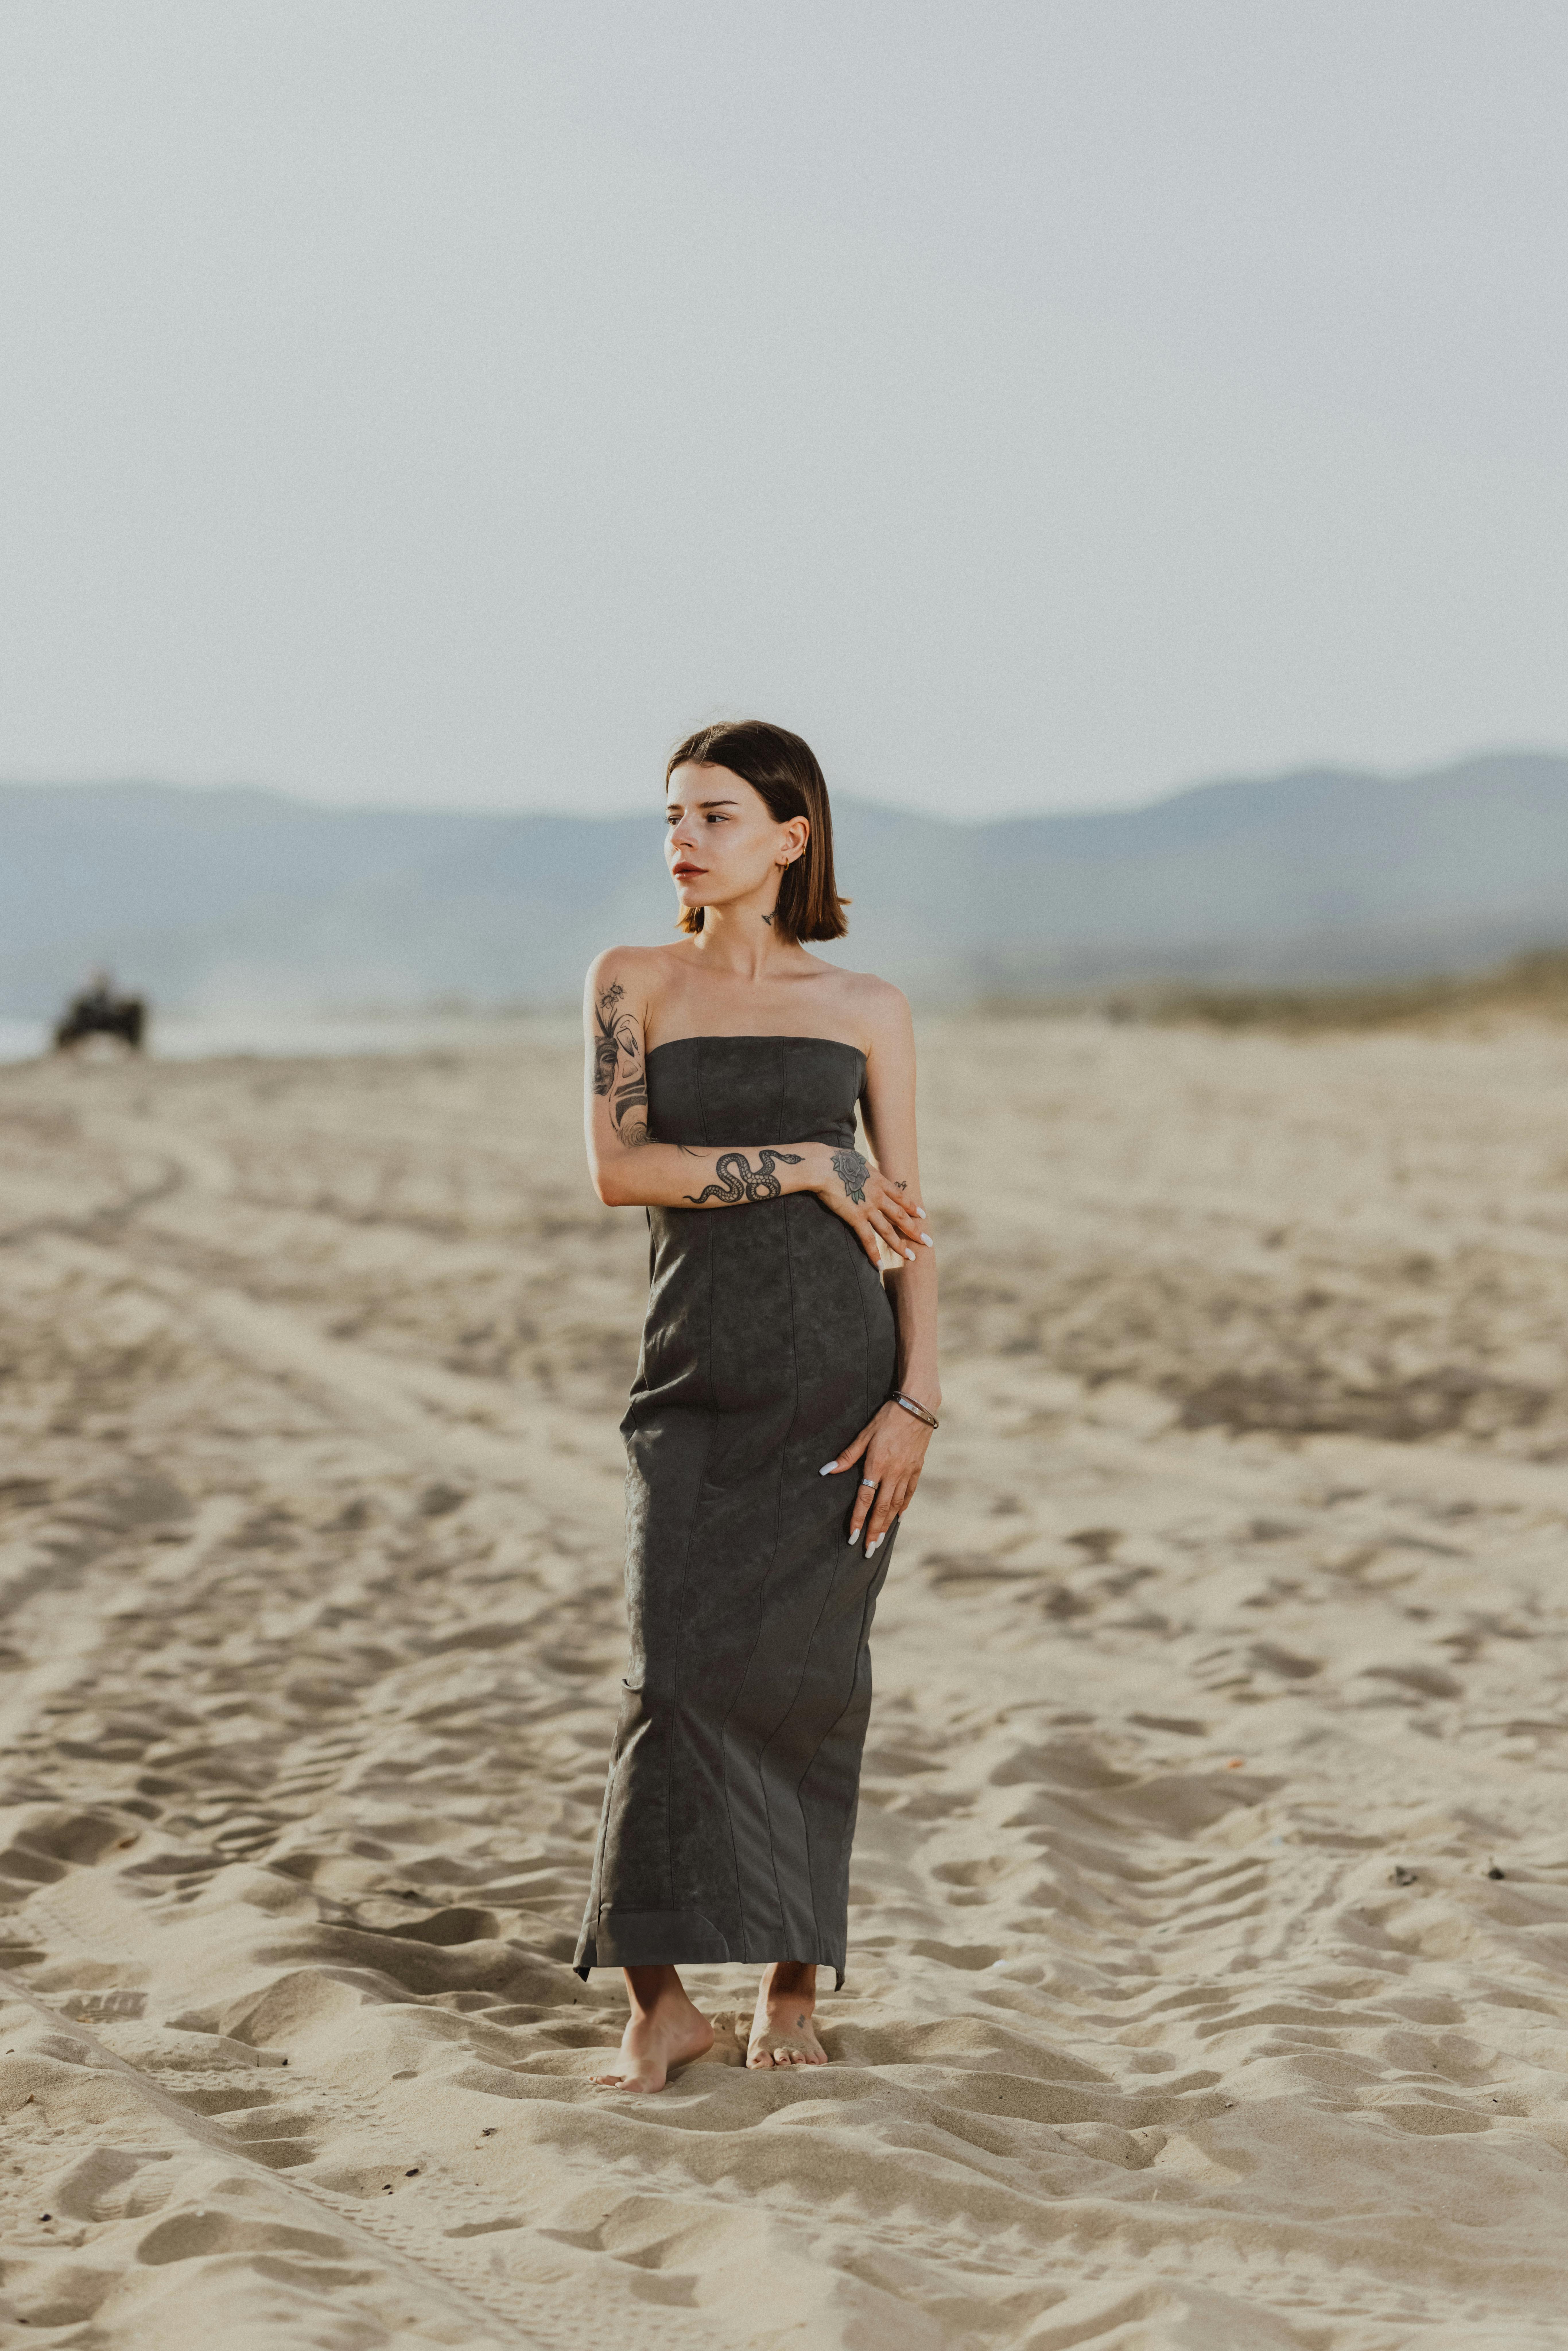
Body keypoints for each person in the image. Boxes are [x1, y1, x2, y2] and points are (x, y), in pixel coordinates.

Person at [573, 719, 940, 2092]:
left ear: (791, 838)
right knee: (667, 1675)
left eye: (718, 814)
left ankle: (791, 1982)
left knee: (805, 1685)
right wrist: (798, 1159)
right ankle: (657, 2001)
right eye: (675, 813)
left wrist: (919, 1396)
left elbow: (908, 1217)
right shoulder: (631, 981)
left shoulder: (868, 1008)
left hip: (845, 1381)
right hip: (692, 1379)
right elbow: (620, 1170)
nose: (684, 834)